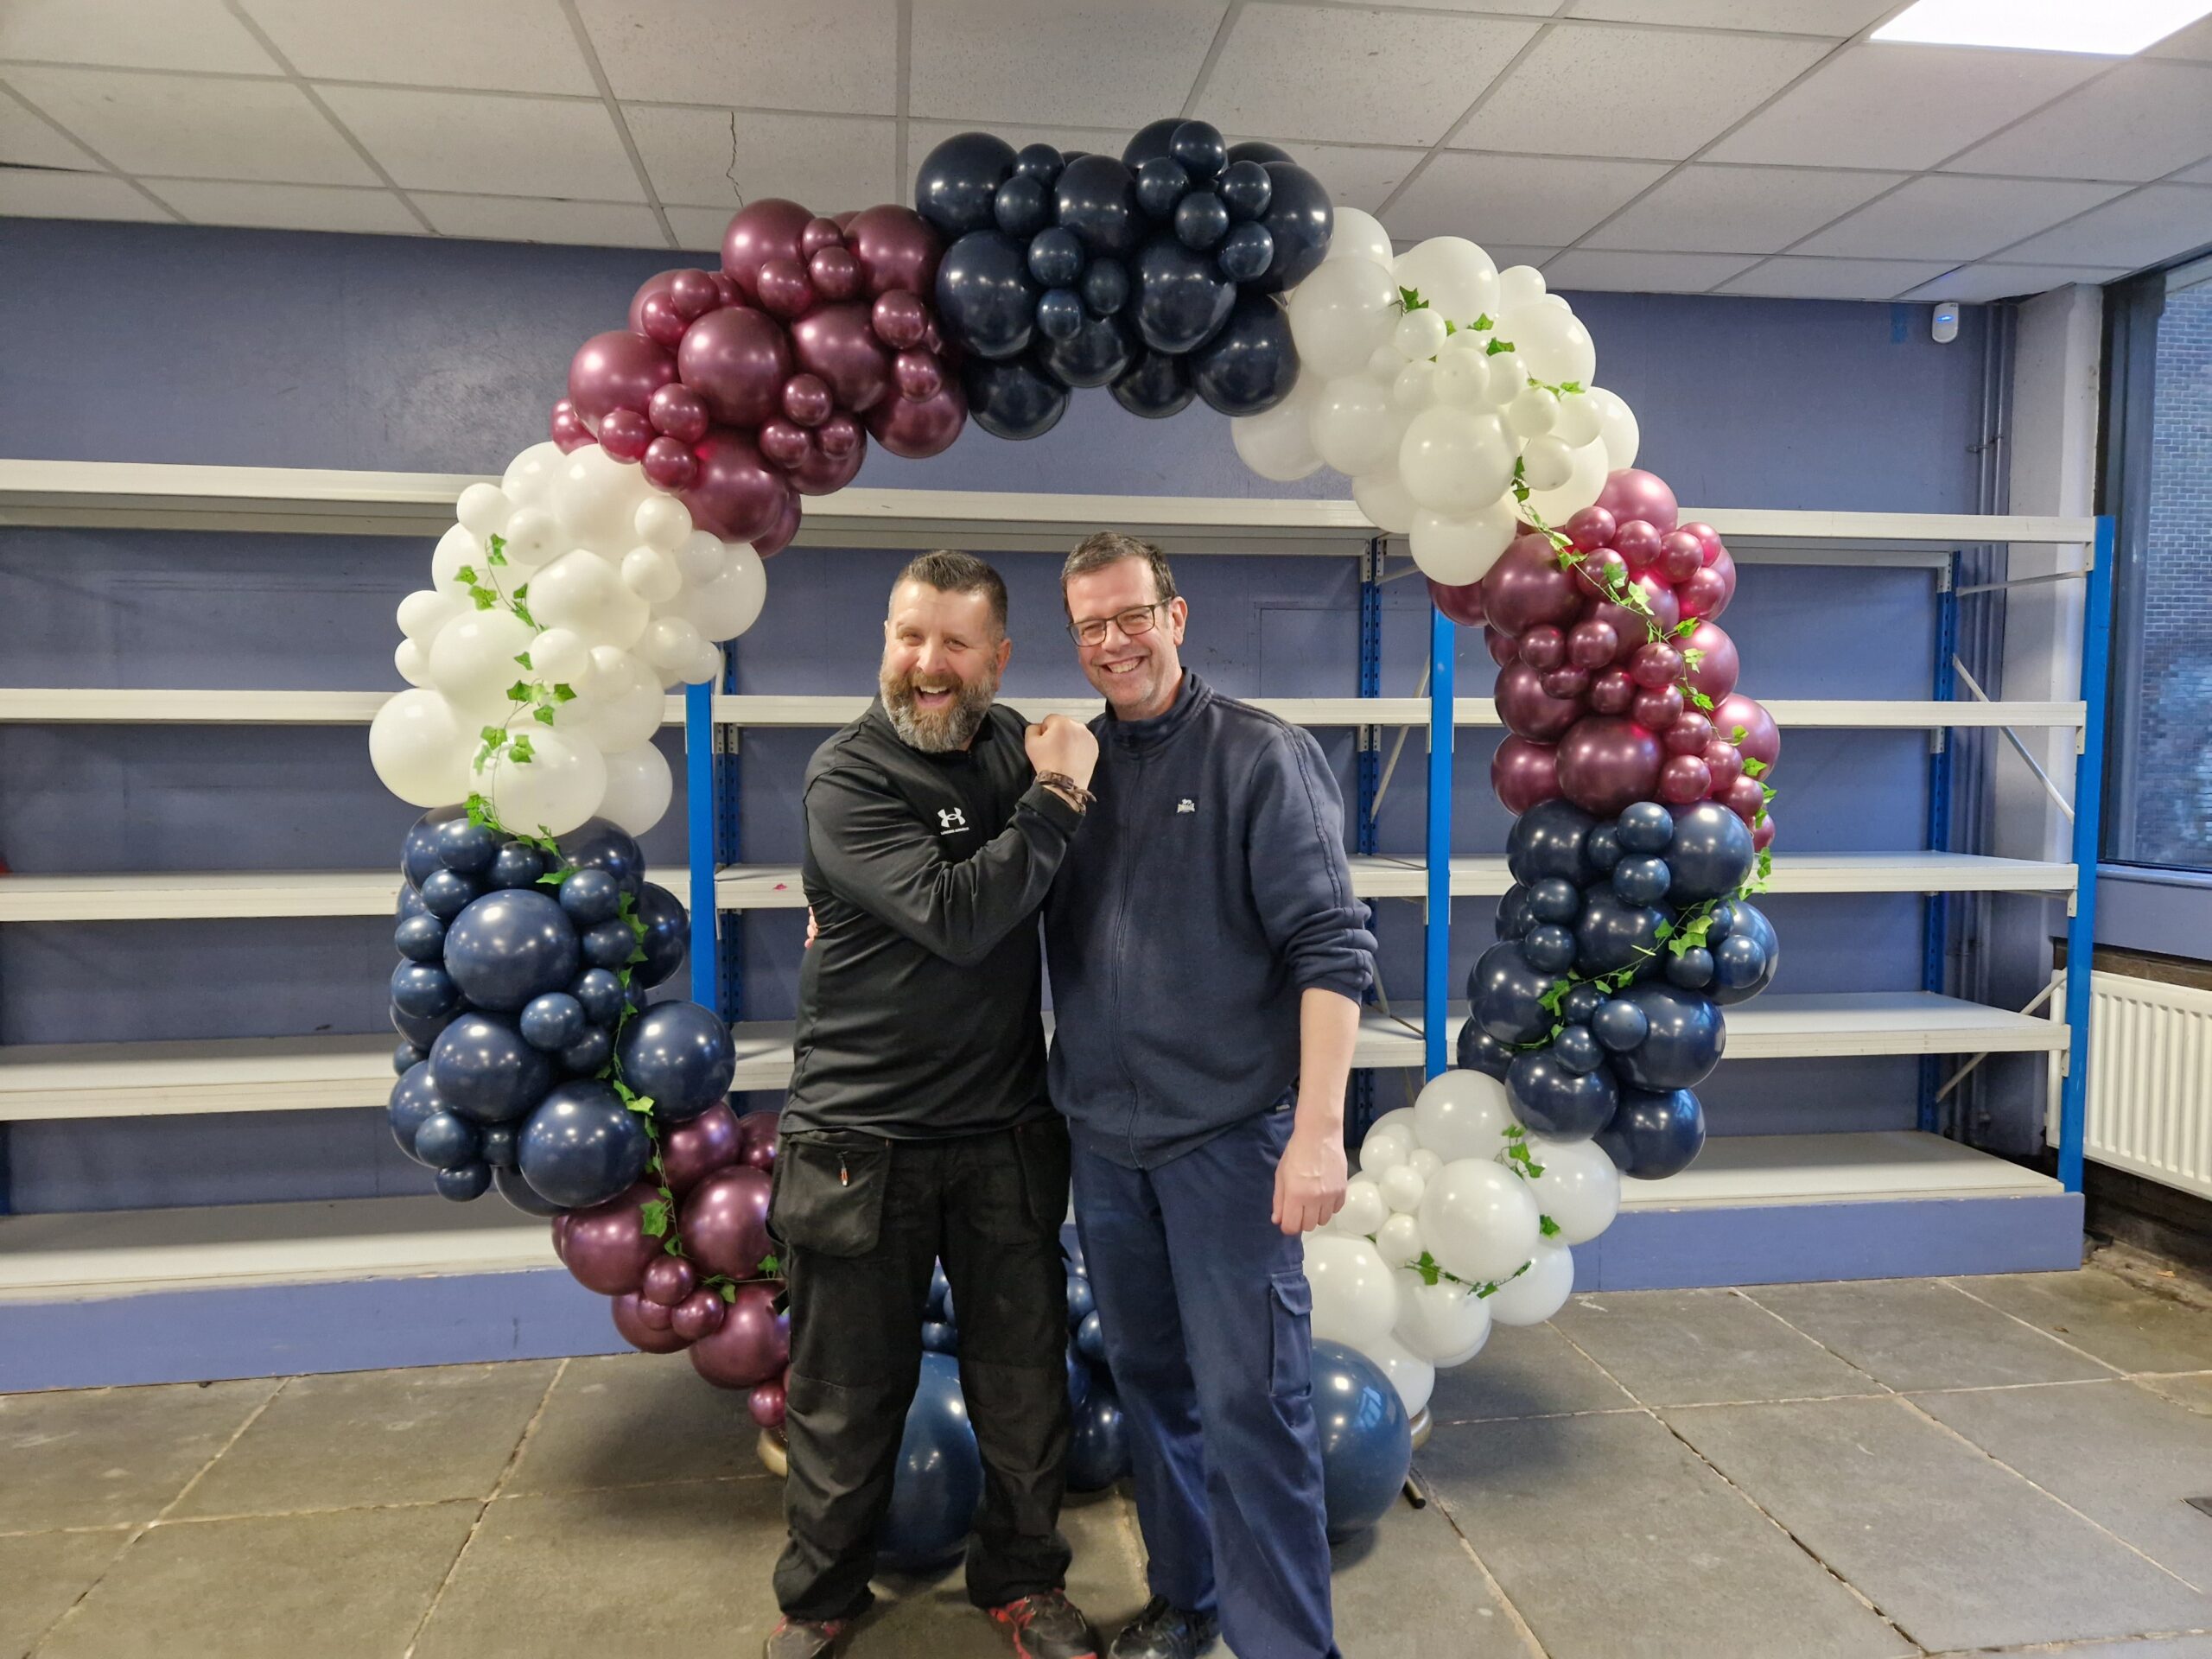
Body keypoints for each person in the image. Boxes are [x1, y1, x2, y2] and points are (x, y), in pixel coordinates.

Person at [1044, 532, 1377, 1659]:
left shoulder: (1260, 757)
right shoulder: (1071, 775)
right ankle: (1189, 1601)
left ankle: (1288, 1645)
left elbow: (1332, 949)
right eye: (1091, 625)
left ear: (1176, 617)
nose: (1114, 642)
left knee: (1254, 1404)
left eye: (1132, 615)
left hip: (1230, 1142)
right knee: (1151, 1383)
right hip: (1107, 1144)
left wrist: (1318, 1133)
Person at [766, 550, 1103, 1659]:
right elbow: (958, 916)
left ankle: (1023, 1582)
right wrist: (1059, 797)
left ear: (997, 657)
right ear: (886, 639)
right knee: (844, 1393)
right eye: (910, 636)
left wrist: (1056, 782)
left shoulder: (1016, 750)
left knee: (1023, 1386)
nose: (927, 663)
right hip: (859, 1138)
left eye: (955, 642)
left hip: (1002, 1128)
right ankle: (821, 1597)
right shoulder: (847, 776)